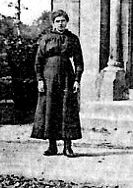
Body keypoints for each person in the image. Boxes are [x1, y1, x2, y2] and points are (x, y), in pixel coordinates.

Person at [31, 10, 84, 156]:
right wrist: (40, 80)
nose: (61, 24)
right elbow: (38, 61)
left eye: (63, 21)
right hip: (49, 78)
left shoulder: (72, 39)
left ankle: (68, 147)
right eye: (58, 21)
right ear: (53, 23)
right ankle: (52, 146)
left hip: (67, 77)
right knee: (50, 109)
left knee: (67, 109)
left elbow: (79, 62)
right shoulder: (46, 38)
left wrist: (77, 80)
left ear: (67, 22)